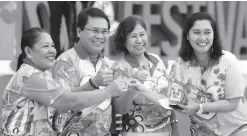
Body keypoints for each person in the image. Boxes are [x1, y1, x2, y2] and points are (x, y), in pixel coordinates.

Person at [0, 27, 126, 136]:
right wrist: (108, 91)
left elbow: (65, 94)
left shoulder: (38, 75)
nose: (52, 50)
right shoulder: (29, 75)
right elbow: (69, 100)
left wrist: (93, 83)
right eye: (45, 46)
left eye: (53, 46)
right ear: (28, 51)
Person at [170, 12, 247, 136]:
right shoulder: (178, 66)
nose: (202, 38)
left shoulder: (228, 61)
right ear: (187, 36)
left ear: (214, 35)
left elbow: (232, 104)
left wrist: (198, 107)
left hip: (237, 130)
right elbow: (175, 102)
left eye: (207, 32)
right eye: (196, 32)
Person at [52, 8, 119, 136]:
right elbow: (64, 101)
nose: (100, 36)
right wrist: (93, 84)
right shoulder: (65, 62)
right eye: (94, 30)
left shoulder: (107, 64)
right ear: (79, 31)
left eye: (104, 31)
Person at [112, 16, 178, 136]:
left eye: (142, 34)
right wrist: (132, 86)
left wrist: (175, 124)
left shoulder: (156, 60)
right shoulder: (120, 68)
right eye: (133, 36)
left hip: (166, 131)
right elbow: (120, 109)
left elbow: (170, 97)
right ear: (123, 41)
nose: (139, 40)